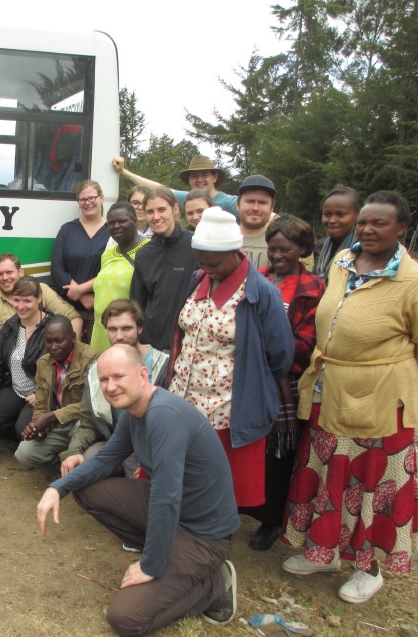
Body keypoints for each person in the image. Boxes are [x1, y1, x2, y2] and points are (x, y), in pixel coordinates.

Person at [282, 191, 418, 604]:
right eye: (365, 222)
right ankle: (323, 553)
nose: (368, 230)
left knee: (370, 484)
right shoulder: (341, 263)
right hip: (329, 388)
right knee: (327, 473)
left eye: (380, 223)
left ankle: (368, 569)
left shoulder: (416, 284)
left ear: (402, 228)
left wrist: (391, 381)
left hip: (380, 403)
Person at [37, 345, 240, 635]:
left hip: (204, 536)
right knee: (87, 488)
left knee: (125, 619)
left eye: (118, 376)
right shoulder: (134, 411)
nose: (111, 386)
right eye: (104, 379)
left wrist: (151, 566)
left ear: (143, 375)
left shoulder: (163, 415)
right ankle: (164, 554)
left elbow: (166, 497)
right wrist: (57, 488)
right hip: (175, 515)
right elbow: (106, 459)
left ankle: (214, 585)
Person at [167, 206, 294, 512]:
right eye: (201, 262)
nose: (208, 269)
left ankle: (210, 543)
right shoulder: (198, 279)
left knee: (219, 487)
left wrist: (243, 376)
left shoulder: (261, 293)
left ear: (235, 252)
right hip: (184, 399)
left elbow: (280, 356)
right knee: (180, 476)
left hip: (226, 409)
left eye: (214, 263)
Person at [242, 216, 325, 550]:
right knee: (248, 444)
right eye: (272, 249)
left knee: (277, 454)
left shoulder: (312, 288)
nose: (276, 256)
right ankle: (241, 503)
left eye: (285, 249)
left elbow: (304, 343)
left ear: (303, 249)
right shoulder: (256, 278)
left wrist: (266, 357)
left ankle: (271, 519)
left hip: (283, 381)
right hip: (247, 377)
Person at [60, 299, 168, 478]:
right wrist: (73, 451)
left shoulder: (164, 366)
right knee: (82, 468)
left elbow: (173, 427)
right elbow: (88, 422)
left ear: (139, 328)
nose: (119, 336)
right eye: (112, 329)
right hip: (115, 444)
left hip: (154, 449)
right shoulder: (96, 370)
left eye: (126, 328)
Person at [14, 316, 98, 468]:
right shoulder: (44, 363)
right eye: (49, 341)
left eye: (59, 341)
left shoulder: (91, 359)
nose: (53, 347)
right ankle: (65, 459)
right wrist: (38, 428)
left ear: (72, 337)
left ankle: (76, 459)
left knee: (85, 445)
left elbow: (92, 406)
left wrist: (51, 417)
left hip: (84, 423)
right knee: (24, 453)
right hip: (60, 425)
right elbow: (40, 404)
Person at [0, 277, 53, 439]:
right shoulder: (10, 326)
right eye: (16, 300)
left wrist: (42, 393)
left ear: (39, 297)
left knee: (25, 430)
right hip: (15, 388)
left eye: (27, 301)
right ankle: (19, 432)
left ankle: (25, 432)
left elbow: (60, 367)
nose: (20, 306)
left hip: (40, 394)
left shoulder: (52, 327)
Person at [129, 186, 197, 351]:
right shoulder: (144, 254)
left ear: (174, 209)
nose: (156, 217)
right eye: (150, 211)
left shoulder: (195, 246)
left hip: (189, 342)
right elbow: (137, 303)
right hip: (154, 344)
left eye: (161, 210)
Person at [0, 253, 81, 354]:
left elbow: (74, 318)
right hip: (10, 363)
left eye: (9, 272)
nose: (5, 277)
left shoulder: (41, 289)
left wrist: (70, 353)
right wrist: (17, 359)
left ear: (20, 272)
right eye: (0, 274)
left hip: (50, 359)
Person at [51, 179, 109, 341]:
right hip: (68, 309)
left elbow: (111, 271)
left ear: (101, 198)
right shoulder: (67, 229)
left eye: (92, 198)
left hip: (100, 307)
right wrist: (80, 294)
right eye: (82, 200)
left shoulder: (112, 230)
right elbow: (56, 267)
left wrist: (83, 289)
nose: (87, 203)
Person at [90, 202, 149, 352]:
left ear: (135, 221)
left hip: (127, 335)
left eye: (122, 221)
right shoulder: (107, 253)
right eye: (111, 223)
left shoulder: (150, 250)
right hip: (101, 332)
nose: (116, 226)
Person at [112, 154, 239, 219]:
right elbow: (158, 188)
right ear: (189, 180)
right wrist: (123, 171)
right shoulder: (188, 199)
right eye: (194, 176)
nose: (199, 180)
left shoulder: (230, 203)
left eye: (204, 175)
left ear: (215, 177)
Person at [313, 185, 360, 282]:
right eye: (327, 214)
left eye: (340, 215)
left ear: (357, 215)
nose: (332, 220)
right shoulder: (320, 247)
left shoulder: (363, 249)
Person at [237, 175, 276, 269]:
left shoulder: (281, 242)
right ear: (238, 205)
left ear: (272, 208)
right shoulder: (222, 239)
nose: (255, 208)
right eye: (250, 201)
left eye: (262, 202)